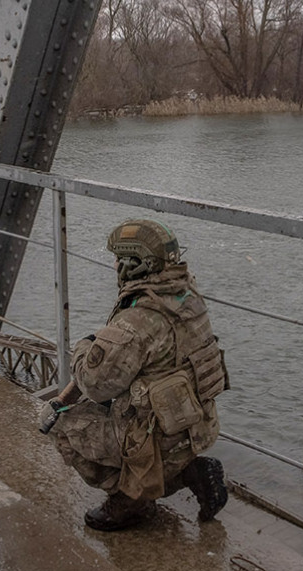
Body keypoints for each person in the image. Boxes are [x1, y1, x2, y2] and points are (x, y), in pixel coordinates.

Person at [45, 218, 229, 531]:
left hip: (159, 441)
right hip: (197, 428)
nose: (115, 264)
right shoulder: (188, 295)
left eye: (119, 258)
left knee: (55, 421)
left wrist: (83, 348)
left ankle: (130, 500)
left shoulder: (138, 319)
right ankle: (191, 472)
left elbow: (94, 384)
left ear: (134, 265)